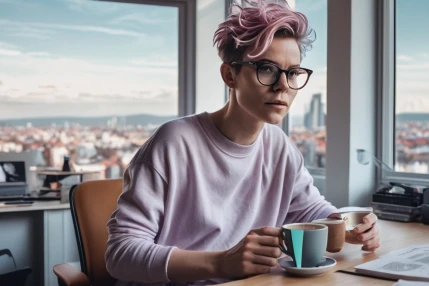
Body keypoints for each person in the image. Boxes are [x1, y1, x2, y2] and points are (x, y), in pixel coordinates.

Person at [105, 0, 380, 285]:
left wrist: (347, 227)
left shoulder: (280, 148)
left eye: (293, 72)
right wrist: (220, 263)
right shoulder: (173, 143)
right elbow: (120, 255)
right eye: (266, 69)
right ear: (229, 75)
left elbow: (310, 210)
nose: (283, 85)